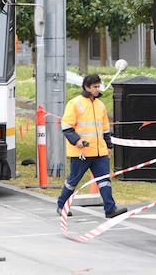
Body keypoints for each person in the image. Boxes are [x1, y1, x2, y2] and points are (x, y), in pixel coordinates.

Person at [56, 74, 128, 219]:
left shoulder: (100, 105)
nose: (97, 89)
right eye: (95, 87)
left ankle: (110, 209)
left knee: (104, 181)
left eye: (98, 86)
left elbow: (105, 129)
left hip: (99, 151)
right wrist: (77, 141)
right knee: (73, 181)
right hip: (81, 152)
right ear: (86, 87)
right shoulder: (75, 103)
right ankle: (61, 205)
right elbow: (66, 126)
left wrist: (108, 146)